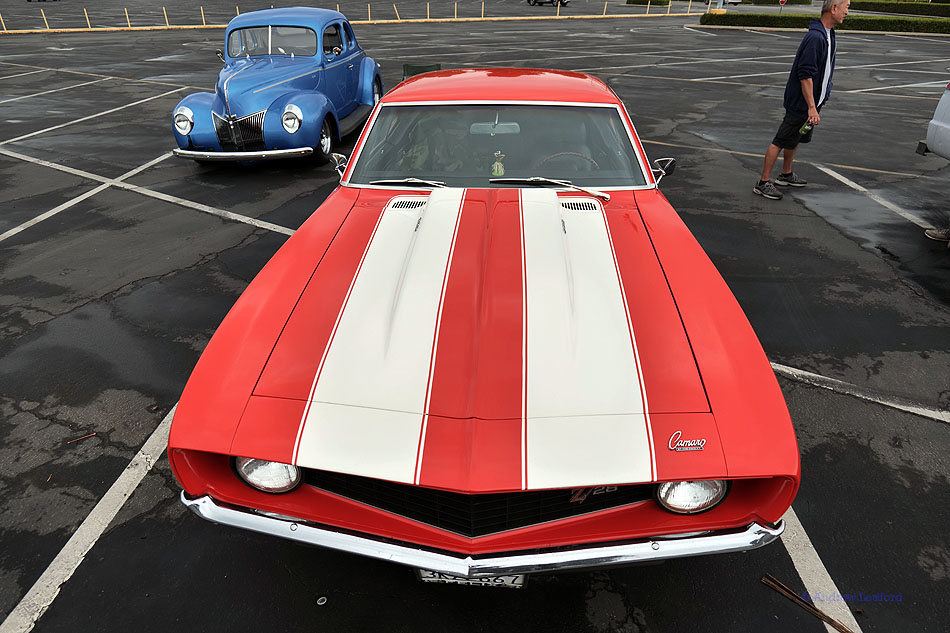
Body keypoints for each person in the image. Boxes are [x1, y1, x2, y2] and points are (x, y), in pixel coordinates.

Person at [754, 0, 850, 200]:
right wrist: (811, 107)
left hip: (812, 103)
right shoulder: (816, 37)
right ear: (834, 8)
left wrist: (821, 98)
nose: (847, 12)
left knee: (795, 137)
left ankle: (785, 174)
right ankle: (763, 183)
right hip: (802, 104)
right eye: (846, 6)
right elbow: (805, 75)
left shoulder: (828, 34)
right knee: (780, 141)